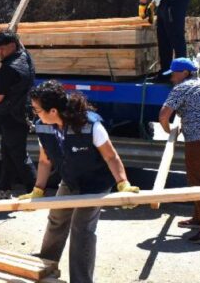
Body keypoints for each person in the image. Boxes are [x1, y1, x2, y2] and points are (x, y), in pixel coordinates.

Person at [23, 80, 139, 283]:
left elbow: (111, 156)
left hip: (95, 184)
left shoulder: (90, 125)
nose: (35, 114)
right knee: (56, 219)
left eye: (37, 109)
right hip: (70, 180)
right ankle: (46, 267)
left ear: (53, 110)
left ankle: (81, 279)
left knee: (82, 229)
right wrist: (38, 190)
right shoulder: (44, 126)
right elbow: (44, 160)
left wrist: (123, 183)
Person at [159, 57, 200, 244]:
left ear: (185, 73)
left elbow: (163, 116)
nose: (172, 78)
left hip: (198, 139)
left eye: (174, 74)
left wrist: (169, 131)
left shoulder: (181, 88)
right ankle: (199, 218)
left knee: (197, 183)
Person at [0, 29, 37, 201]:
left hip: (11, 115)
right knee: (7, 153)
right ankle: (3, 189)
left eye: (2, 49)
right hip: (23, 112)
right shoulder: (26, 57)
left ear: (13, 45)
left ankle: (37, 192)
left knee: (19, 155)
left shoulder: (9, 68)